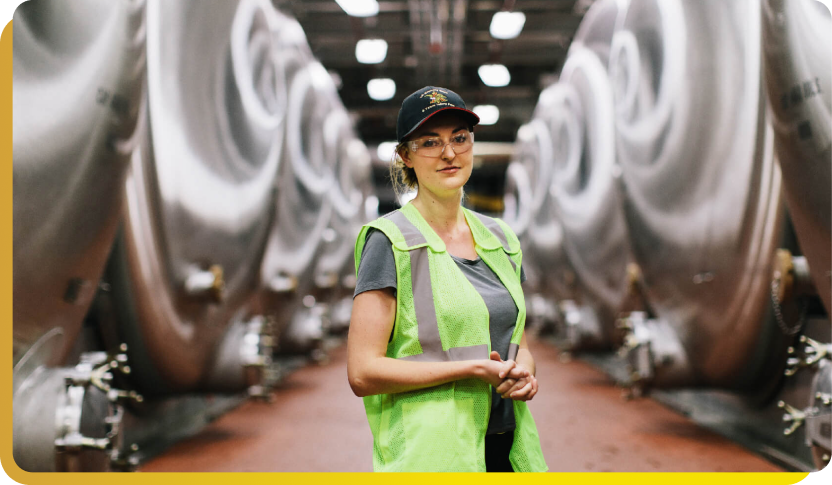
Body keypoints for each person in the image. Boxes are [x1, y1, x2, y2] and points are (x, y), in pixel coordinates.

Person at [347, 86, 547, 472]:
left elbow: (516, 344)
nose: (450, 153)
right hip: (432, 457)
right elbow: (362, 372)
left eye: (460, 138)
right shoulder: (389, 241)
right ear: (405, 155)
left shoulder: (501, 239)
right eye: (430, 142)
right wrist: (473, 369)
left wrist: (523, 374)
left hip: (508, 449)